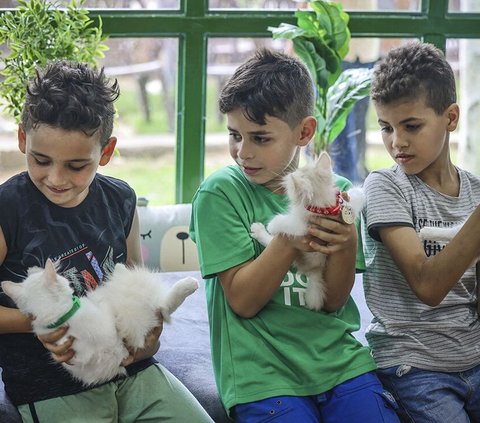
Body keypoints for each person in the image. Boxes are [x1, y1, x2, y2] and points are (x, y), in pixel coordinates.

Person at [190, 48, 399, 422]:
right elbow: (243, 301)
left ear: (304, 132)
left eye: (260, 138)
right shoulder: (219, 194)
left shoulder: (334, 191)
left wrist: (347, 239)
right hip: (263, 378)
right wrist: (289, 237)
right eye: (234, 135)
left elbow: (333, 300)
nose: (243, 152)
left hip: (341, 365)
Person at [0, 60, 213, 423]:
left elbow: (134, 290)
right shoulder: (8, 208)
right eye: (41, 160)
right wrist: (42, 322)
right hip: (52, 385)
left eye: (76, 166)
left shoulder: (121, 200)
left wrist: (148, 337)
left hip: (131, 370)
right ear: (23, 139)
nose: (55, 178)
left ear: (106, 151)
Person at [361, 41, 480, 422]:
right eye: (386, 127)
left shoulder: (475, 191)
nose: (397, 142)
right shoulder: (385, 186)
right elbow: (427, 287)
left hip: (474, 356)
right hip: (412, 365)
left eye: (411, 126)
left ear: (450, 117)